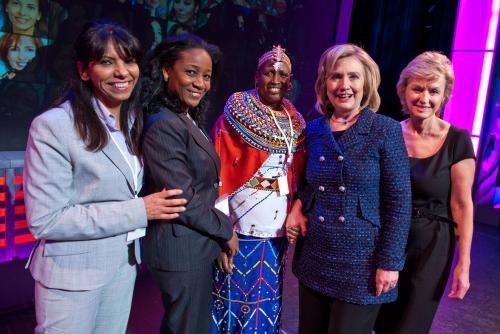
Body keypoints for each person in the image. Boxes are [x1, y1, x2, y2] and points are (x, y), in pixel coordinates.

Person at [23, 22, 187, 334]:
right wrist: (141, 211)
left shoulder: (135, 121)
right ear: (85, 71)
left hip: (121, 269)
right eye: (107, 62)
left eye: (129, 61)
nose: (122, 72)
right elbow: (47, 219)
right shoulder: (54, 126)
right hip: (71, 276)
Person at [286, 43, 412, 334]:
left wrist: (390, 263)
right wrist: (297, 206)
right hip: (316, 255)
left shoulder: (385, 129)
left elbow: (399, 202)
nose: (344, 85)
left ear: (366, 81)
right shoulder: (314, 130)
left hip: (362, 264)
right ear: (324, 83)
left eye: (353, 77)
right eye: (335, 76)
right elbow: (309, 183)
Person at [141, 35, 237, 334]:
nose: (200, 83)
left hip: (194, 244)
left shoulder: (183, 118)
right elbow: (182, 197)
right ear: (168, 71)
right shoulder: (164, 124)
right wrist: (226, 230)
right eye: (191, 72)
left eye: (206, 76)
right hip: (180, 249)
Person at [376, 52, 475, 334]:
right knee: (377, 320)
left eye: (434, 91)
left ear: (444, 96)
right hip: (386, 238)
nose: (425, 98)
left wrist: (464, 265)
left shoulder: (458, 140)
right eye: (417, 88)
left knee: (409, 326)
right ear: (404, 90)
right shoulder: (388, 133)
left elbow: (462, 205)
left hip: (432, 246)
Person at [211, 45, 306, 334]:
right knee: (229, 302)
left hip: (275, 234)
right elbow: (219, 175)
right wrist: (219, 232)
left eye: (282, 74)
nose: (275, 79)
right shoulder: (237, 112)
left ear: (290, 82)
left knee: (264, 306)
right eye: (269, 72)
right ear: (256, 77)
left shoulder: (296, 122)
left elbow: (298, 179)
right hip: (237, 230)